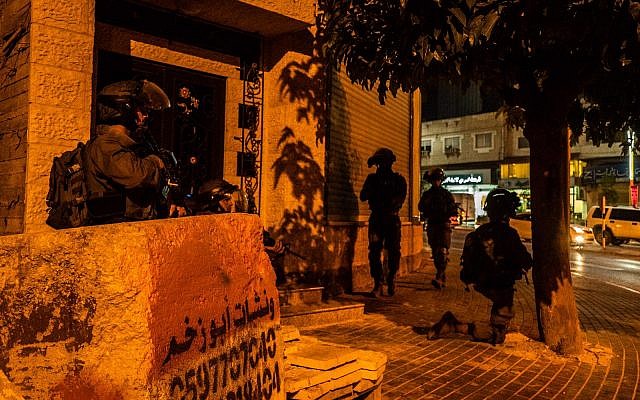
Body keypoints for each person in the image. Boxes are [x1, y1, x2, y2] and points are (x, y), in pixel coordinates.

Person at [84, 79, 185, 224]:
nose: (146, 116)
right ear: (123, 109)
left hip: (132, 227)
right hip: (113, 231)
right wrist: (156, 162)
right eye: (142, 110)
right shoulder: (105, 144)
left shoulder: (130, 146)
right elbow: (137, 176)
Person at [460, 188, 532, 344]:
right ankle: (456, 326)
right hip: (500, 283)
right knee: (500, 325)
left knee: (501, 313)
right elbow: (525, 259)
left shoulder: (479, 232)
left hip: (479, 281)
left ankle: (493, 326)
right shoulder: (509, 233)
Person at [360, 148, 407, 296]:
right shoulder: (372, 179)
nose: (381, 166)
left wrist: (386, 199)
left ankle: (391, 278)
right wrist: (374, 191)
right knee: (374, 251)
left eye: (383, 163)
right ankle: (378, 283)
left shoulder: (398, 180)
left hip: (391, 219)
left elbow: (399, 200)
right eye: (379, 163)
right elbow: (363, 195)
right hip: (377, 219)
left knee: (393, 251)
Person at [197, 179, 286, 256]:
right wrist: (263, 250)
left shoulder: (222, 221)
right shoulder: (207, 224)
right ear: (213, 203)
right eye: (226, 200)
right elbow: (231, 251)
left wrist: (264, 247)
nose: (231, 203)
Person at [418, 168, 458, 289]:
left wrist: (448, 211)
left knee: (442, 251)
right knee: (435, 252)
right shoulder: (427, 195)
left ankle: (439, 276)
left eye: (438, 180)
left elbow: (453, 210)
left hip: (443, 225)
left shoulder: (446, 194)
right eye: (434, 180)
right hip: (432, 225)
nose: (436, 182)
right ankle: (441, 273)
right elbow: (421, 207)